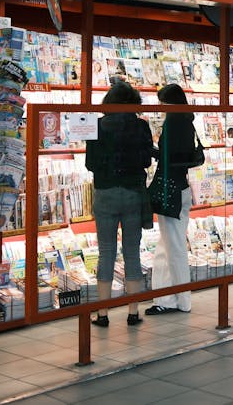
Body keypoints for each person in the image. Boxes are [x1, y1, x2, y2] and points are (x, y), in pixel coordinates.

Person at [85, 81, 153, 328]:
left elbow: (90, 164)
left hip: (105, 193)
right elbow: (146, 159)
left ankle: (102, 313)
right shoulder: (141, 127)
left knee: (106, 252)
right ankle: (133, 312)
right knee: (132, 251)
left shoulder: (97, 126)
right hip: (133, 192)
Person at [146, 83, 197, 316]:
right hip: (180, 187)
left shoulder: (175, 122)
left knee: (174, 247)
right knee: (167, 246)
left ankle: (183, 300)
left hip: (172, 190)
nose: (160, 108)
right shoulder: (186, 120)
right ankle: (166, 298)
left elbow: (170, 157)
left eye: (162, 104)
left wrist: (151, 150)